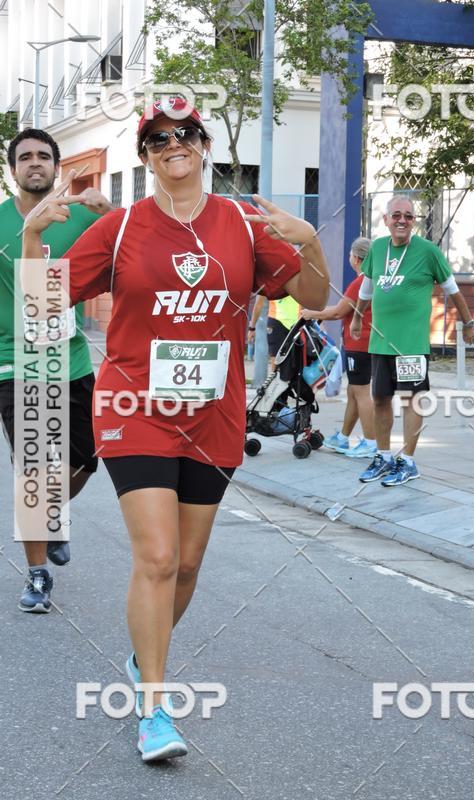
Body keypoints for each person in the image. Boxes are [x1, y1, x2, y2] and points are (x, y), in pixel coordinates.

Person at [22, 97, 329, 762]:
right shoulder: (125, 225)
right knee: (156, 557)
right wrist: (29, 240)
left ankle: (143, 658)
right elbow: (41, 306)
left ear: (202, 143)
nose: (172, 144)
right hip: (134, 408)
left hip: (214, 414)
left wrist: (308, 242)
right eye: (157, 138)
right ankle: (154, 710)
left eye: (184, 133)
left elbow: (308, 298)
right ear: (146, 154)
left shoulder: (245, 226)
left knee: (187, 564)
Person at [0, 128, 112, 613]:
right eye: (24, 157)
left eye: (43, 156)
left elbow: (121, 258)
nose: (34, 163)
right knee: (35, 472)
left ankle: (52, 515)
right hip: (15, 362)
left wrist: (109, 215)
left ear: (57, 167)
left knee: (87, 459)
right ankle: (38, 574)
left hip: (73, 359)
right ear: (12, 170)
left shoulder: (83, 218)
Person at [350, 195, 474, 486]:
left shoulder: (428, 251)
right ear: (386, 219)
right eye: (397, 215)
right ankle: (383, 456)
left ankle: (407, 462)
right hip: (381, 343)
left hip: (411, 345)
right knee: (380, 398)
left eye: (408, 216)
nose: (402, 221)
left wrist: (468, 323)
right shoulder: (378, 248)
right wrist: (357, 318)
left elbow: (453, 290)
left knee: (411, 401)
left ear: (414, 221)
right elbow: (367, 288)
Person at [301, 236, 376, 458]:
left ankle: (371, 444)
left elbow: (338, 312)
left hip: (359, 344)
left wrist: (310, 313)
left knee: (362, 394)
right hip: (364, 344)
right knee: (354, 392)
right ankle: (343, 438)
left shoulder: (361, 282)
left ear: (356, 258)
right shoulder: (371, 280)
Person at [248, 294, 299, 372]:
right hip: (276, 321)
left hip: (297, 323)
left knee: (296, 364)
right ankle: (275, 381)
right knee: (276, 364)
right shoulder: (269, 282)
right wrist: (252, 327)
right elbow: (258, 304)